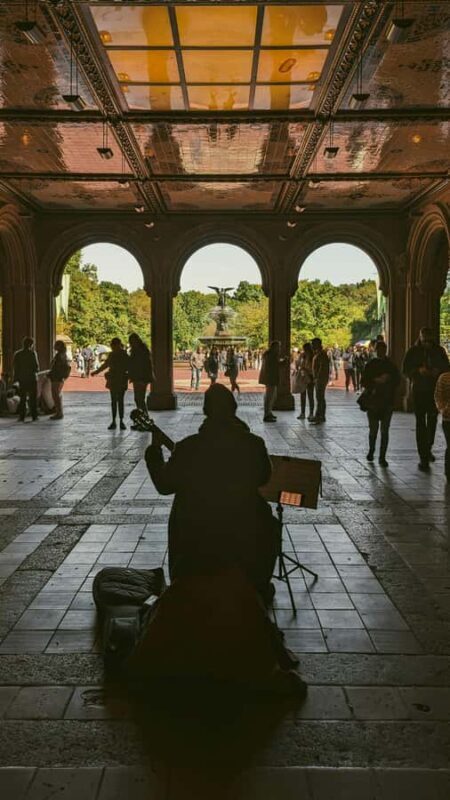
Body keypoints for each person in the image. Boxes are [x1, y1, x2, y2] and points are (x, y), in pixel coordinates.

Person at [145, 383, 279, 599]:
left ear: (206, 411)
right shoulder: (254, 444)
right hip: (244, 530)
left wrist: (154, 452)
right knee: (269, 522)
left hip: (196, 535)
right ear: (233, 409)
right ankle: (258, 584)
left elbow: (164, 485)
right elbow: (264, 478)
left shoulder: (188, 447)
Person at [403, 327, 449, 471]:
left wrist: (438, 371)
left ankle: (428, 446)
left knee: (433, 420)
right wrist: (417, 371)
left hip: (434, 391)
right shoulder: (413, 351)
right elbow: (405, 370)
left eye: (429, 341)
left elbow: (447, 367)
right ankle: (423, 456)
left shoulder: (439, 351)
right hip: (419, 390)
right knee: (420, 422)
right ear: (420, 338)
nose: (427, 344)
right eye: (425, 341)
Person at [361, 341, 400, 467]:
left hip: (383, 401)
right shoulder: (385, 365)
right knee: (377, 429)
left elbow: (397, 380)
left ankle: (380, 455)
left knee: (382, 430)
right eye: (379, 350)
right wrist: (377, 380)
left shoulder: (384, 365)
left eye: (382, 350)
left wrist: (384, 380)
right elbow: (364, 381)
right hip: (377, 401)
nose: (380, 352)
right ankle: (374, 452)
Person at [92, 337, 129, 430]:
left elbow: (105, 365)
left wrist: (96, 372)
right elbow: (130, 367)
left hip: (113, 379)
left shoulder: (113, 355)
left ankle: (114, 421)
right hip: (122, 379)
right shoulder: (124, 354)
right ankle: (121, 421)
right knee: (120, 401)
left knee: (114, 401)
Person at [13, 336, 40, 422]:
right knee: (33, 398)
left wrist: (15, 379)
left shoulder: (17, 354)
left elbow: (15, 368)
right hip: (31, 378)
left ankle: (22, 417)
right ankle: (34, 416)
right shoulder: (32, 353)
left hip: (22, 379)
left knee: (22, 398)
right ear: (31, 345)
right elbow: (36, 367)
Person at [128, 333, 155, 411]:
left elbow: (145, 365)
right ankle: (143, 415)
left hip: (141, 377)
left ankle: (143, 415)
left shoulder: (139, 351)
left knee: (139, 398)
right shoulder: (143, 350)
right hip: (139, 377)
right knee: (139, 398)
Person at [259, 340, 285, 422]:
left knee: (271, 396)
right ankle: (267, 414)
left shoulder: (268, 354)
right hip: (271, 379)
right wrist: (283, 362)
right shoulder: (272, 355)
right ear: (275, 347)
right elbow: (274, 366)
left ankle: (269, 412)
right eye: (278, 347)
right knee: (270, 397)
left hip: (269, 378)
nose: (279, 348)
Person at [47, 340, 71, 420]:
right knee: (57, 395)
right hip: (60, 377)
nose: (54, 346)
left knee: (55, 395)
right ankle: (59, 412)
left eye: (56, 345)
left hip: (56, 377)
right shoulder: (63, 355)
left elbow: (56, 367)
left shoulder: (59, 356)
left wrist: (51, 373)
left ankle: (59, 413)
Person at [291, 342, 314, 420]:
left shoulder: (312, 356)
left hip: (310, 377)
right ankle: (303, 413)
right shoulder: (302, 355)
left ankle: (311, 413)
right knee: (303, 395)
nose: (305, 350)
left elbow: (312, 367)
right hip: (303, 376)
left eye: (306, 348)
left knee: (310, 395)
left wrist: (305, 368)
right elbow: (298, 364)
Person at [434, 367, 450, 481]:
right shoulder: (444, 377)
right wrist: (443, 409)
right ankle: (449, 472)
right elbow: (438, 396)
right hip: (448, 418)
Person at [310, 338, 330, 424]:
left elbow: (322, 367)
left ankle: (320, 416)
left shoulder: (322, 354)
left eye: (313, 343)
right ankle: (320, 415)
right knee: (320, 397)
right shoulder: (318, 353)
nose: (312, 345)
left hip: (320, 379)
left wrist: (317, 377)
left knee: (320, 398)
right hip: (319, 378)